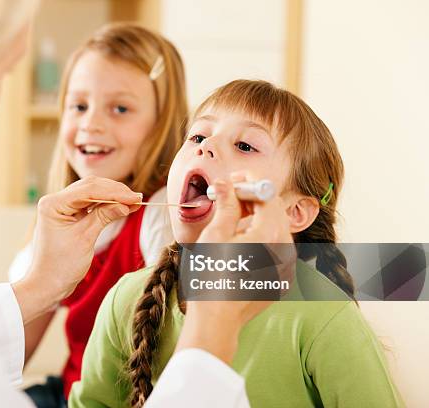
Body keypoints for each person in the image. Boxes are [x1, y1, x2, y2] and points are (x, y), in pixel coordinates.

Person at [0, 2, 275, 407]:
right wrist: (210, 341)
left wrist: (38, 286)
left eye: (245, 146)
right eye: (5, 71)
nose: (207, 150)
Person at [69, 80, 403, 407]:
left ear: (295, 211)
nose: (206, 146)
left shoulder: (324, 315)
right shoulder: (126, 299)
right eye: (198, 136)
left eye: (245, 146)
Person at [8, 22, 187, 406]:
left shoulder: (159, 217)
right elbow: (14, 344)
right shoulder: (59, 218)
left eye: (120, 108)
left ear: (161, 124)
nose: (91, 123)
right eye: (79, 106)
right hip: (68, 394)